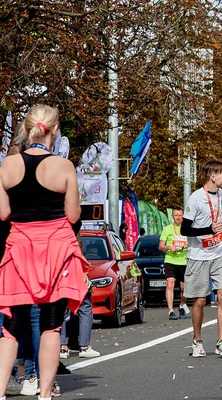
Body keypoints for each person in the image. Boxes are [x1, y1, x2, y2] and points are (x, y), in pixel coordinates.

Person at [0, 105, 89, 400]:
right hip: (56, 251)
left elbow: (3, 213)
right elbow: (74, 215)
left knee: (11, 327)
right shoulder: (63, 167)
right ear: (54, 131)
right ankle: (45, 393)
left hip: (19, 248)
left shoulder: (7, 166)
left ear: (25, 130)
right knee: (51, 325)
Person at [180, 160, 222, 358]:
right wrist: (209, 230)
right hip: (198, 256)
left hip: (219, 253)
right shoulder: (196, 198)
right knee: (199, 301)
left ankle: (221, 342)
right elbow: (185, 229)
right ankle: (197, 341)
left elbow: (218, 222)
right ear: (213, 177)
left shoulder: (221, 194)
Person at [158, 207, 189, 320]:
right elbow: (161, 246)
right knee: (170, 284)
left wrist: (187, 246)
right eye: (176, 215)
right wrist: (169, 247)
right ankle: (171, 311)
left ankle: (181, 306)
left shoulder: (187, 229)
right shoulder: (167, 229)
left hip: (184, 260)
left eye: (180, 215)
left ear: (183, 216)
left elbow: (194, 244)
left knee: (184, 287)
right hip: (170, 260)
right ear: (172, 216)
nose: (178, 217)